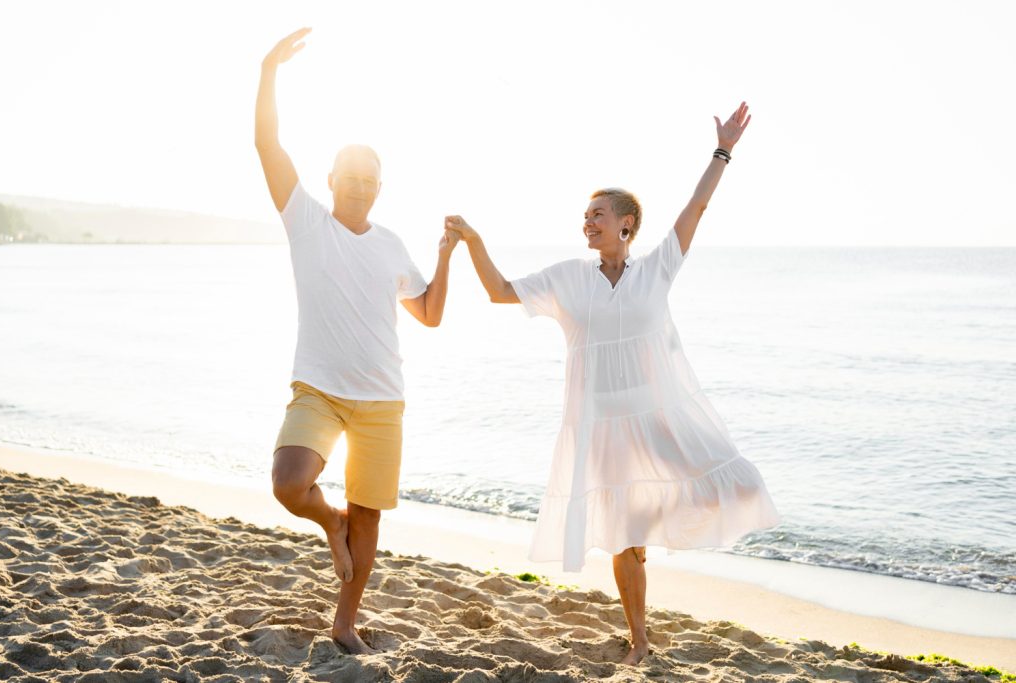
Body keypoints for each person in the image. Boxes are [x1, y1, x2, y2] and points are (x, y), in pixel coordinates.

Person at [445, 102, 779, 666]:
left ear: (626, 223)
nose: (588, 221)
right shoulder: (569, 279)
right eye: (586, 214)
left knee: (737, 483)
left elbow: (696, 206)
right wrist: (473, 241)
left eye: (598, 213)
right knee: (628, 542)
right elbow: (500, 291)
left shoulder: (656, 270)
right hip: (602, 428)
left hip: (660, 419)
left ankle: (668, 547)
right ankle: (641, 639)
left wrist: (723, 150)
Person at [254, 28, 459, 655]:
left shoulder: (392, 243)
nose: (362, 186)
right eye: (352, 176)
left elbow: (428, 313)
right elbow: (267, 144)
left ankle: (344, 622)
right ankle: (329, 521)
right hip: (317, 388)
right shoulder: (306, 220)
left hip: (380, 400)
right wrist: (269, 71)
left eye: (372, 179)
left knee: (370, 516)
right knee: (290, 485)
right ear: (332, 177)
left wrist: (445, 254)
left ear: (380, 186)